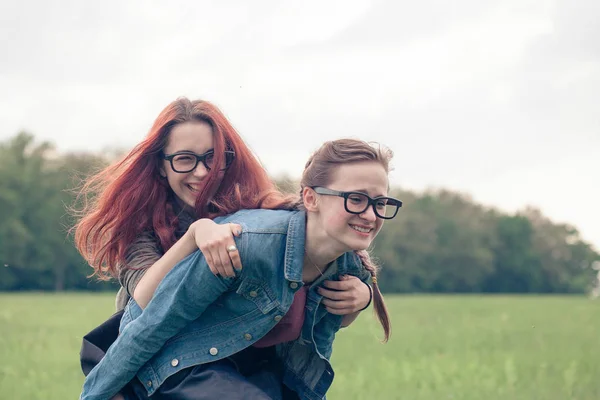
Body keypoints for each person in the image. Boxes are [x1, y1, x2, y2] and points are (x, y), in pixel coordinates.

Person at [79, 138, 400, 400]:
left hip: (252, 371)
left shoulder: (348, 267)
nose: (371, 215)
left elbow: (314, 350)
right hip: (180, 364)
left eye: (381, 203)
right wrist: (100, 393)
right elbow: (152, 322)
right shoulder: (243, 245)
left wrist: (364, 297)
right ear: (311, 198)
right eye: (356, 199)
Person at [74, 97, 372, 315]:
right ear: (161, 166)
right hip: (145, 365)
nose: (201, 172)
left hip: (225, 366)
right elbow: (146, 297)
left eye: (212, 158)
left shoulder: (256, 210)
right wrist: (196, 234)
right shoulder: (136, 221)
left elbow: (322, 230)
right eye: (185, 159)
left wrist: (362, 294)